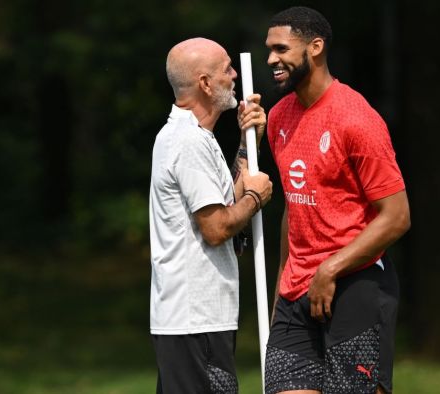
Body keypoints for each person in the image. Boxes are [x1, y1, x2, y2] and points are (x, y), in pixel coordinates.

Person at [263, 7, 411, 394]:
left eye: (281, 49)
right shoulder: (279, 117)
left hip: (355, 284)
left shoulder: (356, 119)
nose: (271, 60)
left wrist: (330, 269)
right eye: (268, 49)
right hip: (296, 291)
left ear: (316, 47)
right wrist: (283, 281)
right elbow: (295, 208)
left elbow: (396, 217)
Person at [149, 37, 272, 394]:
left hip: (198, 319)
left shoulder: (197, 138)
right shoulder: (186, 143)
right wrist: (256, 197)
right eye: (226, 69)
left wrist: (251, 143)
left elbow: (225, 203)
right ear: (205, 83)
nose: (234, 76)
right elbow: (217, 228)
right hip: (194, 320)